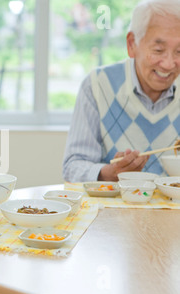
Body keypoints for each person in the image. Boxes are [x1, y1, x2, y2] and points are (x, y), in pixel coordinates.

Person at [63, 0, 180, 182]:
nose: (169, 63)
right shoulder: (97, 85)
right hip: (111, 208)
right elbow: (73, 166)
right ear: (132, 44)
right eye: (158, 50)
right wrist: (107, 173)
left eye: (179, 51)